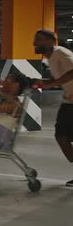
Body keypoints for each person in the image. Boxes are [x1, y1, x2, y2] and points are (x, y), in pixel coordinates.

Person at [33, 29, 73, 187]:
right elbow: (62, 76)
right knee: (62, 136)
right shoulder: (51, 57)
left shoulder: (61, 53)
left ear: (51, 41)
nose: (35, 42)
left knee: (62, 136)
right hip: (69, 101)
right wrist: (43, 81)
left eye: (39, 39)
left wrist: (50, 84)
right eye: (35, 39)